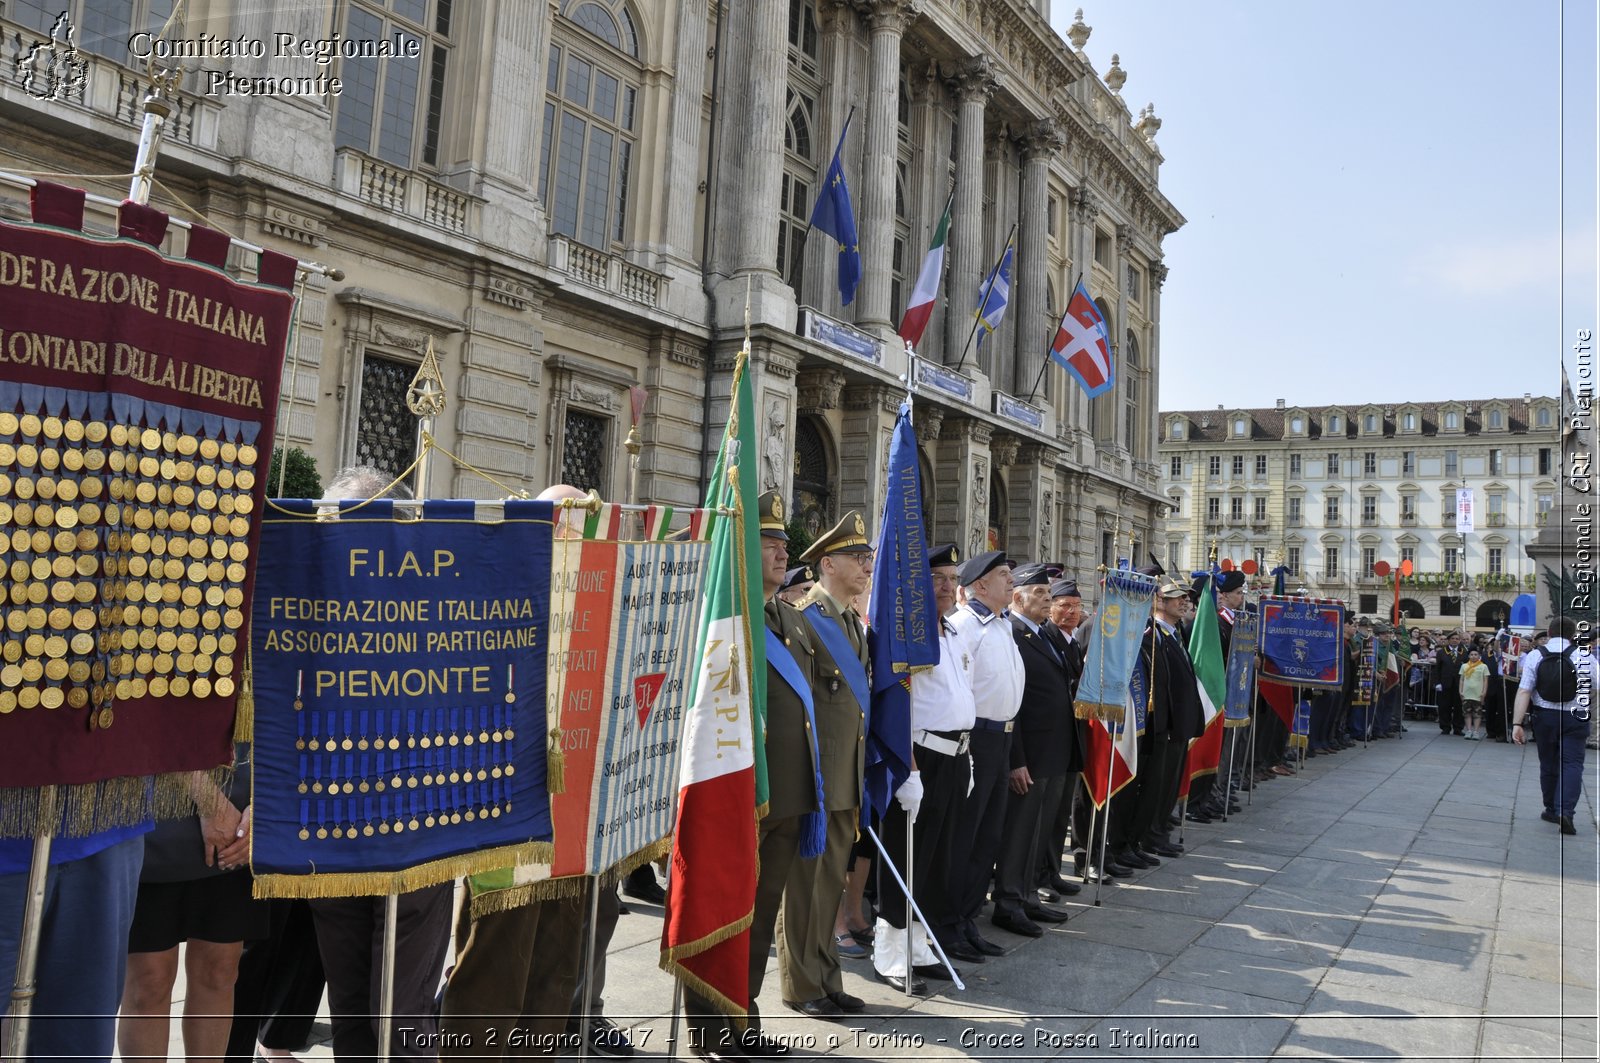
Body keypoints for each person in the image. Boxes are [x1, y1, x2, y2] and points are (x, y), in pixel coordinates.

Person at [439, 484, 592, 1058]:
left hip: (572, 810)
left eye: (580, 524)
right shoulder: (494, 594)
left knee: (557, 962)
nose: (573, 534)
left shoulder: (591, 600)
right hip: (505, 805)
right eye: (563, 521)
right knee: (495, 962)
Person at [307, 466, 454, 1062]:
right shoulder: (307, 596)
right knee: (348, 1005)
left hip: (414, 834)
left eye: (352, 521)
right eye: (330, 521)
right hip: (331, 831)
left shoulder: (438, 598)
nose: (338, 535)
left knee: (400, 1012)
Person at [686, 491, 817, 1059]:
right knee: (722, 909)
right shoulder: (722, 616)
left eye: (784, 544)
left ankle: (744, 1016)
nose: (781, 552)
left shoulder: (788, 617)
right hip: (736, 790)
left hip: (784, 796)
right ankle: (712, 1030)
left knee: (760, 917)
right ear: (742, 551)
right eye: (768, 543)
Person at [874, 544, 979, 990]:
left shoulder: (953, 633)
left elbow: (959, 698)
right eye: (937, 578)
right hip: (922, 758)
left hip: (955, 756)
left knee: (936, 860)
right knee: (906, 855)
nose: (947, 587)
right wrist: (910, 771)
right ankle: (890, 955)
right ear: (918, 585)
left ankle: (919, 944)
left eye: (953, 579)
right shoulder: (908, 636)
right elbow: (902, 708)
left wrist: (968, 755)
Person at [782, 512, 873, 1020]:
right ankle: (801, 985)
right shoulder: (804, 619)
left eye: (867, 559)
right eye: (857, 559)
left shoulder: (848, 621)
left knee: (830, 885)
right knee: (805, 890)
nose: (865, 567)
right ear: (828, 563)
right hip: (815, 780)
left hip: (846, 778)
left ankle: (827, 977)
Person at [118, 754, 265, 1062]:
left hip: (240, 800)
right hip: (152, 804)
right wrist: (209, 801)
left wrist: (265, 801)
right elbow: (148, 720)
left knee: (220, 970)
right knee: (149, 981)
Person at [988, 564, 1077, 936]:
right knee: (1020, 832)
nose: (1047, 600)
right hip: (1031, 753)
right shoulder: (1013, 632)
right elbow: (1015, 705)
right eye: (1040, 594)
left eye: (1047, 594)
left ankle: (1027, 896)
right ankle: (1008, 902)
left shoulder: (1045, 634)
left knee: (1039, 831)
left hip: (1054, 750)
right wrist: (1017, 760)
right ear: (1018, 598)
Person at [946, 551, 1028, 944]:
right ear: (979, 585)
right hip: (976, 738)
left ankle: (969, 916)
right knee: (968, 833)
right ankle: (950, 920)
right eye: (1003, 575)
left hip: (1002, 738)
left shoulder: (1001, 625)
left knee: (990, 835)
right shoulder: (965, 626)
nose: (1011, 582)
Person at [1511, 616, 1596, 835]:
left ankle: (1550, 808)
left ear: (1548, 632)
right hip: (1575, 716)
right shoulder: (1582, 654)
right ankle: (1565, 811)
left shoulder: (1535, 655)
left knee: (1548, 763)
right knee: (1572, 764)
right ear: (1572, 634)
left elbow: (1524, 690)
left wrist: (1517, 723)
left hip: (1545, 716)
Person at [1435, 631, 1468, 736]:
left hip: (1459, 684)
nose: (1455, 640)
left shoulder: (1463, 652)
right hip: (1445, 683)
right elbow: (1437, 669)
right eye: (1453, 638)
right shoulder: (1441, 652)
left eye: (1457, 639)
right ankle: (1445, 727)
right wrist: (1437, 683)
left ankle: (1458, 727)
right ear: (1449, 640)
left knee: (1459, 706)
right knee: (1444, 706)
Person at [1459, 648, 1488, 740]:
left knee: (1477, 713)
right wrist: (1460, 691)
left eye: (1476, 654)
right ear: (1468, 656)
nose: (1473, 656)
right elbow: (1462, 679)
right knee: (1467, 713)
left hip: (1478, 693)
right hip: (1466, 693)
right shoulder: (1464, 666)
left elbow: (1485, 680)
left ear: (1479, 656)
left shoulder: (1483, 666)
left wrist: (1484, 692)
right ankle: (1468, 730)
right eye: (1471, 654)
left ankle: (1476, 731)